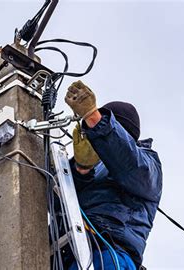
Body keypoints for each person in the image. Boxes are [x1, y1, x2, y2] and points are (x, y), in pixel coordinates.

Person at [63, 80, 163, 270]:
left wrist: (94, 119)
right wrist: (81, 168)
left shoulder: (147, 164)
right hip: (70, 254)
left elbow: (128, 162)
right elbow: (57, 201)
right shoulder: (94, 167)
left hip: (109, 253)